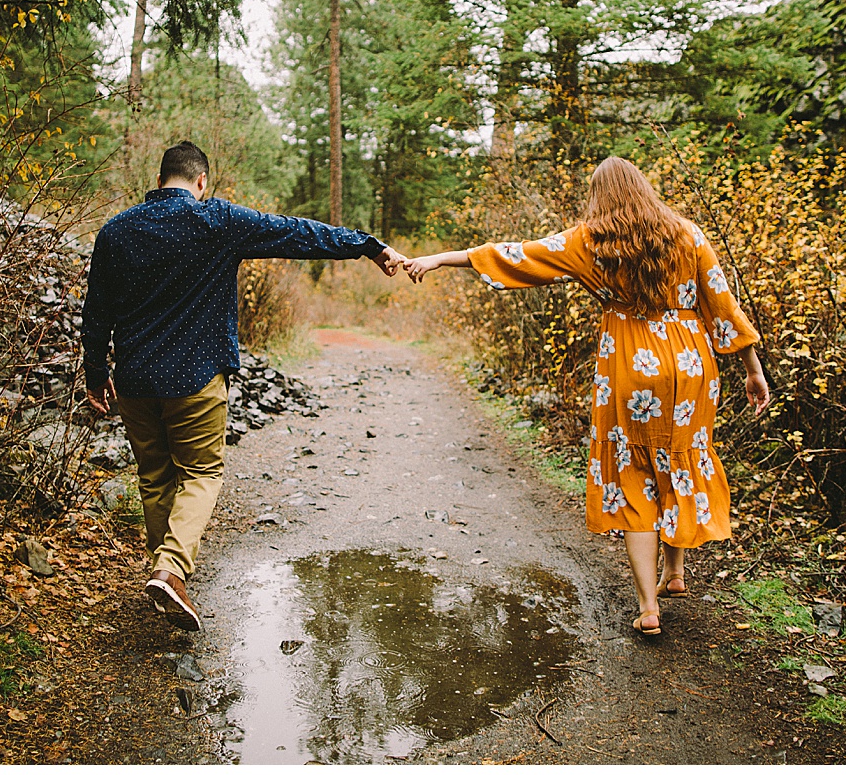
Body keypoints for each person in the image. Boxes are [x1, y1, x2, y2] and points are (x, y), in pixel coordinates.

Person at [403, 156, 770, 636]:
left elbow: (515, 254)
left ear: (599, 195)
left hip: (629, 362)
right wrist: (752, 371)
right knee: (677, 457)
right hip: (690, 365)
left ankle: (648, 607)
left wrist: (438, 258)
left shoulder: (589, 242)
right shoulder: (689, 234)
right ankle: (676, 572)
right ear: (643, 187)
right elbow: (723, 307)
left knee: (635, 470)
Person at [81, 141, 407, 631]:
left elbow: (96, 312)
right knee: (202, 473)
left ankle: (165, 573)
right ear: (201, 182)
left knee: (154, 477)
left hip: (134, 382)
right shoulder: (218, 221)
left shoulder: (115, 232)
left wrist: (94, 374)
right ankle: (170, 571)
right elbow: (297, 234)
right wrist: (366, 244)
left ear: (160, 179)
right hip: (194, 379)